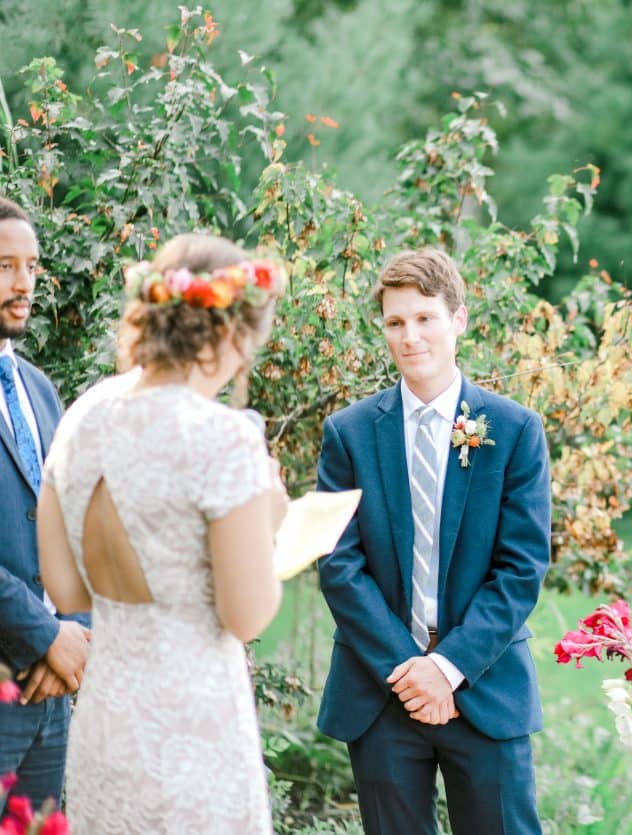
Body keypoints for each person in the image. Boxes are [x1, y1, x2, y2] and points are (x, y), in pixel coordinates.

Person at [37, 233, 287, 833]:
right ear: (229, 334)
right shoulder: (222, 436)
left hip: (105, 728)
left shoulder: (81, 419)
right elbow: (247, 616)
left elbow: (68, 593)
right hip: (193, 731)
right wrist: (271, 525)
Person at [317, 248, 551, 835]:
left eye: (425, 318)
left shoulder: (515, 430)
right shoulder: (348, 435)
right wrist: (409, 671)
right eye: (395, 322)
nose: (410, 336)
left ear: (459, 320)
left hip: (484, 684)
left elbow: (520, 568)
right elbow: (339, 565)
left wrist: (447, 668)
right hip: (381, 690)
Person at [0, 197, 90, 811]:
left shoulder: (39, 388)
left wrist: (73, 639)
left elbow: (74, 525)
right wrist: (40, 636)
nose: (23, 283)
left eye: (31, 267)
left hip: (52, 691)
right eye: (6, 266)